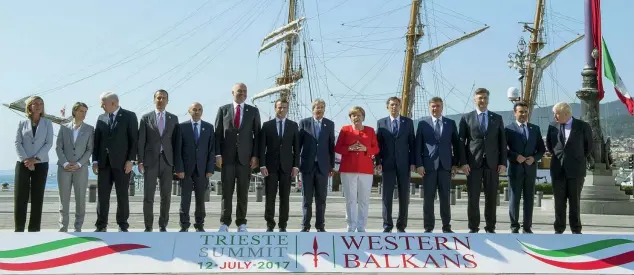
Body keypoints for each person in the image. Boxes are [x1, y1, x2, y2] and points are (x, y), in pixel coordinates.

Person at [458, 88, 507, 233]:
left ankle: (490, 227)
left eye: (485, 98)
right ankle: (473, 227)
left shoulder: (497, 118)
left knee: (491, 198)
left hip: (492, 164)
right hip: (473, 164)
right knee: (473, 198)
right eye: (480, 98)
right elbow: (461, 142)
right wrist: (463, 162)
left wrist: (503, 162)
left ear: (488, 99)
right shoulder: (466, 118)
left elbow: (502, 142)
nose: (483, 100)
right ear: (475, 100)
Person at [215, 83, 261, 232]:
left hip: (245, 159)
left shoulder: (253, 111)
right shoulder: (223, 110)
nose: (242, 93)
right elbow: (217, 134)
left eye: (245, 91)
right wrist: (218, 154)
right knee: (226, 192)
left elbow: (257, 135)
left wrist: (255, 155)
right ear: (233, 92)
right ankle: (225, 223)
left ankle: (241, 223)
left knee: (243, 192)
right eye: (239, 91)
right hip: (227, 158)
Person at [93, 91, 139, 232]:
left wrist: (131, 160)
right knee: (102, 196)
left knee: (122, 195)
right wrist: (95, 160)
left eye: (103, 103)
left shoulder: (129, 116)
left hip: (122, 164)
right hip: (103, 164)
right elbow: (97, 141)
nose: (101, 106)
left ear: (113, 103)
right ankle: (101, 225)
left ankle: (123, 224)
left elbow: (134, 141)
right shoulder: (101, 118)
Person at [416, 97, 462, 233]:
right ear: (429, 107)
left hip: (445, 166)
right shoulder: (423, 124)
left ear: (442, 107)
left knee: (445, 198)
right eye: (433, 106)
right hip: (428, 166)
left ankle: (446, 226)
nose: (435, 108)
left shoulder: (450, 123)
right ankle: (428, 227)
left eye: (438, 106)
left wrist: (455, 164)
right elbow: (418, 145)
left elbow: (457, 145)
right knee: (428, 198)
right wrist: (419, 164)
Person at [546, 102, 592, 234]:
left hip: (576, 170)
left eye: (557, 114)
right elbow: (550, 145)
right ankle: (559, 228)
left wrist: (575, 158)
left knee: (574, 201)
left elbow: (588, 147)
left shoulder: (583, 126)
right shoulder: (552, 126)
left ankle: (576, 229)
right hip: (557, 169)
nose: (554, 116)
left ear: (566, 114)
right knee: (559, 202)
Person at [138, 89, 180, 232]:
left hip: (167, 161)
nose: (161, 100)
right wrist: (140, 161)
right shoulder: (145, 118)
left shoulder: (173, 119)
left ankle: (163, 225)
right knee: (148, 196)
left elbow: (176, 142)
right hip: (150, 161)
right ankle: (148, 226)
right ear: (154, 99)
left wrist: (177, 163)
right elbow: (141, 141)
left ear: (167, 101)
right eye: (158, 98)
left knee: (166, 196)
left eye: (164, 98)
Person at [335, 106, 379, 232]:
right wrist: (350, 148)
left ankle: (361, 226)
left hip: (366, 170)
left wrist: (366, 149)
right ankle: (351, 225)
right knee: (350, 199)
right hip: (348, 169)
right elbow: (338, 148)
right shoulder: (345, 130)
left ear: (363, 117)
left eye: (359, 115)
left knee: (364, 199)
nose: (356, 118)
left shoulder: (370, 131)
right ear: (350, 118)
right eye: (353, 115)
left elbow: (376, 148)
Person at [14, 96, 54, 232]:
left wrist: (35, 159)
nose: (38, 106)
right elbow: (17, 143)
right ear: (29, 106)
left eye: (41, 103)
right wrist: (26, 160)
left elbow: (49, 143)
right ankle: (19, 229)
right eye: (35, 103)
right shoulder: (21, 122)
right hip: (22, 164)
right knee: (20, 197)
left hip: (41, 163)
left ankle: (34, 229)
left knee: (37, 197)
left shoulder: (48, 123)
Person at [259, 99, 300, 232]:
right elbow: (261, 147)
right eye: (279, 107)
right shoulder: (267, 125)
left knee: (285, 198)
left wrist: (296, 166)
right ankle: (270, 224)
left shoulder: (293, 126)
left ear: (287, 109)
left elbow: (297, 148)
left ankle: (283, 225)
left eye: (284, 107)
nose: (281, 109)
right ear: (275, 108)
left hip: (287, 167)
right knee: (270, 197)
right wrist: (262, 165)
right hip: (270, 167)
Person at [375, 97, 415, 233]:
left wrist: (413, 162)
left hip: (404, 164)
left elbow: (412, 144)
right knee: (387, 196)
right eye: (392, 105)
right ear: (388, 107)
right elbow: (378, 145)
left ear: (400, 106)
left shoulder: (408, 123)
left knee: (404, 196)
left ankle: (401, 225)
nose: (394, 107)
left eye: (397, 105)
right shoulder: (381, 123)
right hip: (387, 164)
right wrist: (378, 162)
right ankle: (387, 225)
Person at [505, 102, 546, 234]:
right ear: (515, 113)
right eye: (520, 112)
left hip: (530, 170)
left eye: (525, 112)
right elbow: (503, 150)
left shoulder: (535, 129)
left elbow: (541, 149)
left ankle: (527, 227)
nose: (523, 114)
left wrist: (535, 158)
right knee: (514, 199)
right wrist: (515, 156)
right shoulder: (508, 129)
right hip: (515, 170)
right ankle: (514, 226)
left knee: (529, 200)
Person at [175, 102, 215, 232]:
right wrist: (179, 169)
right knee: (185, 199)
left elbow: (211, 150)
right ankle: (184, 224)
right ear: (189, 111)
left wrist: (210, 169)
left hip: (202, 170)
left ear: (202, 111)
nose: (197, 112)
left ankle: (199, 224)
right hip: (185, 170)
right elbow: (178, 150)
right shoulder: (182, 127)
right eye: (194, 109)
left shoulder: (209, 127)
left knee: (200, 199)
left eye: (199, 110)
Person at [55, 102, 94, 232]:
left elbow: (89, 150)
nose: (84, 114)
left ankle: (78, 228)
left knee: (80, 199)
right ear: (74, 111)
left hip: (80, 169)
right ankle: (63, 228)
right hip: (63, 168)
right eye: (81, 111)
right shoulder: (64, 127)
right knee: (63, 200)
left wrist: (78, 164)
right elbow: (58, 147)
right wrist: (65, 163)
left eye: (85, 111)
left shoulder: (89, 129)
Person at [298, 99, 335, 232]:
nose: (319, 109)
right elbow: (298, 145)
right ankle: (305, 226)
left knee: (321, 199)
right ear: (312, 109)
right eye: (317, 107)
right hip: (307, 166)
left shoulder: (329, 124)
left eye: (321, 107)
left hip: (323, 167)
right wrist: (296, 165)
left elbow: (331, 146)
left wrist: (331, 166)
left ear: (324, 109)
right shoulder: (304, 123)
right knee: (307, 199)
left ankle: (320, 226)